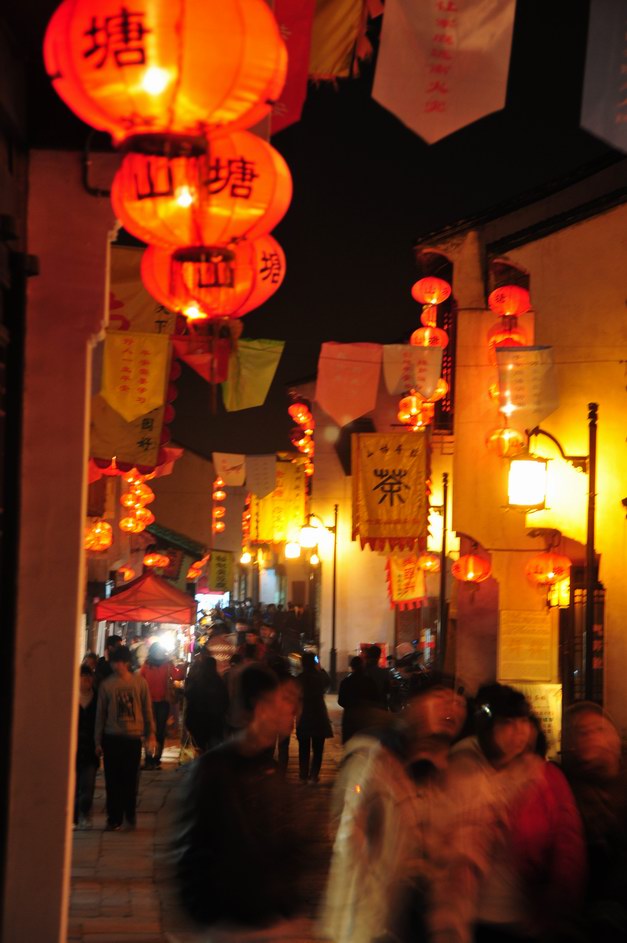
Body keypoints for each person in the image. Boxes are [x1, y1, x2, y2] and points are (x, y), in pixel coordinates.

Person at [320, 670, 467, 943]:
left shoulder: (449, 770)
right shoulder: (373, 759)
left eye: (458, 702)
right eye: (439, 698)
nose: (451, 708)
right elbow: (348, 838)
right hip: (373, 922)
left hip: (427, 921)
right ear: (412, 706)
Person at [431, 683, 585, 943]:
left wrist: (557, 907)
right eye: (508, 723)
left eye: (524, 722)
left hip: (529, 920)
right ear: (487, 730)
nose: (519, 732)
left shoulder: (545, 778)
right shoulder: (460, 771)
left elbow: (569, 846)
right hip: (470, 919)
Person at [174, 664, 306, 935]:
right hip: (230, 926)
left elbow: (288, 850)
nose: (293, 710)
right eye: (287, 699)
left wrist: (288, 912)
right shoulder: (215, 770)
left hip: (270, 925)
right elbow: (191, 854)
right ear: (262, 706)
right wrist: (215, 921)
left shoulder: (274, 774)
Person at [562, 701, 627, 943]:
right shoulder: (565, 787)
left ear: (614, 738)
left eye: (598, 729)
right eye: (582, 732)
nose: (590, 737)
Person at [95, 646, 156, 831]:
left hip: (132, 737)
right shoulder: (107, 685)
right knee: (112, 780)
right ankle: (114, 817)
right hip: (112, 736)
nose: (117, 666)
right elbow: (101, 714)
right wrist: (97, 741)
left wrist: (150, 733)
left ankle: (129, 813)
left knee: (130, 779)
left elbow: (147, 709)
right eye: (115, 662)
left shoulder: (140, 683)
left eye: (121, 662)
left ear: (127, 663)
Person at [296, 652, 333, 784]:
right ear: (314, 662)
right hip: (319, 716)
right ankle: (313, 775)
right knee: (318, 749)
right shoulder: (320, 677)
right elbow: (328, 683)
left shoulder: (299, 678)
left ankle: (303, 774)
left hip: (304, 716)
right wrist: (320, 667)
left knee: (303, 748)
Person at [183, 653, 229, 753]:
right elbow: (225, 700)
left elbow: (189, 695)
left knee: (200, 746)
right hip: (214, 721)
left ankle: (201, 764)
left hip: (198, 719)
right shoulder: (218, 682)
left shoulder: (197, 680)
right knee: (213, 747)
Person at [74, 664, 99, 829]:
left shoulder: (97, 699)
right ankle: (75, 817)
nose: (87, 680)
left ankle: (85, 813)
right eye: (84, 677)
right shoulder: (71, 698)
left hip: (90, 750)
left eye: (89, 677)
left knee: (87, 786)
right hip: (73, 751)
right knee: (73, 787)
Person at [140, 642, 171, 769]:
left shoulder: (166, 664)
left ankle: (156, 759)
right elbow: (141, 681)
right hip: (149, 702)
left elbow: (177, 675)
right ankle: (149, 759)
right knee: (150, 731)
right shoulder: (147, 665)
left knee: (159, 732)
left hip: (162, 702)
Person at [337, 655, 378, 743]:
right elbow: (375, 698)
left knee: (350, 744)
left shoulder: (346, 682)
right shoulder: (369, 681)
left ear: (352, 667)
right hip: (366, 717)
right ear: (363, 666)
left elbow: (341, 701)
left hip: (350, 717)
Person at [363, 643, 393, 711]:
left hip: (364, 709)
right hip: (380, 708)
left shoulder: (361, 672)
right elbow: (388, 690)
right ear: (379, 657)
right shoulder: (384, 673)